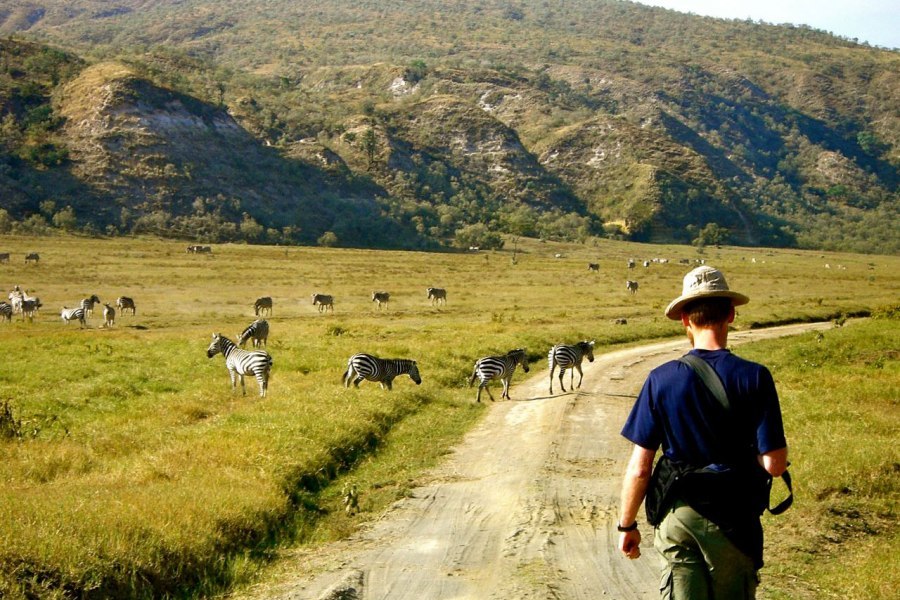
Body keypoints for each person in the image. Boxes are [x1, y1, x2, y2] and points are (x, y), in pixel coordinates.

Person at [616, 265, 789, 599]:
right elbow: (774, 465)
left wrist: (627, 525)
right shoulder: (756, 376)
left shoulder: (660, 378)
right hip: (734, 522)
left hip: (679, 517)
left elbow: (640, 467)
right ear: (731, 314)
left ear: (684, 319)